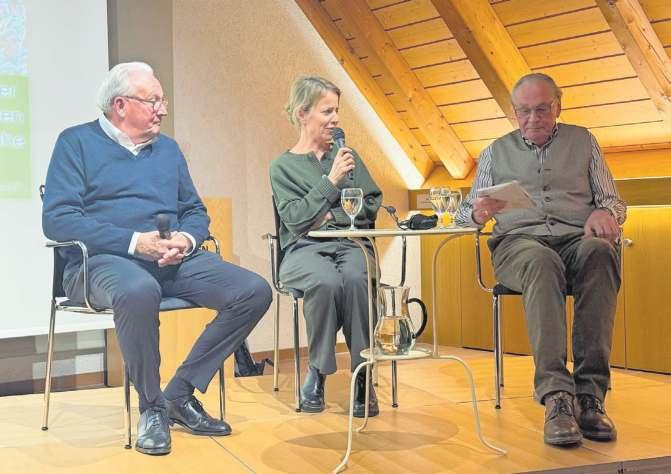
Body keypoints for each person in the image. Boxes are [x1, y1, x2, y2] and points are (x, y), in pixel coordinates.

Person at [42, 62, 272, 455]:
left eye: (161, 101)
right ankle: (151, 407)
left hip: (169, 260)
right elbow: (58, 219)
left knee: (252, 290)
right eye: (153, 101)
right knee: (138, 289)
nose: (162, 110)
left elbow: (194, 211)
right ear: (120, 105)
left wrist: (185, 239)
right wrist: (135, 243)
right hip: (99, 263)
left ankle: (178, 394)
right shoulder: (75, 142)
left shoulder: (168, 150)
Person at [455, 73, 626, 446]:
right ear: (514, 112)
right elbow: (462, 215)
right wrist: (478, 214)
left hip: (576, 240)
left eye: (542, 109)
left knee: (601, 251)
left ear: (558, 107)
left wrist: (606, 213)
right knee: (540, 260)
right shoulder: (494, 152)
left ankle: (590, 396)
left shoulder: (584, 141)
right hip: (518, 245)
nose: (533, 118)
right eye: (525, 111)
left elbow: (613, 201)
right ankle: (557, 397)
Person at [269, 76, 382, 416]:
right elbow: (295, 220)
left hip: (351, 244)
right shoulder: (282, 167)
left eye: (336, 111)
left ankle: (363, 376)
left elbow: (371, 202)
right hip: (303, 249)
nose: (335, 119)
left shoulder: (348, 156)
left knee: (357, 280)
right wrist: (332, 181)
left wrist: (328, 214)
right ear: (302, 114)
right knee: (325, 282)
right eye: (327, 111)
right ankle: (317, 371)